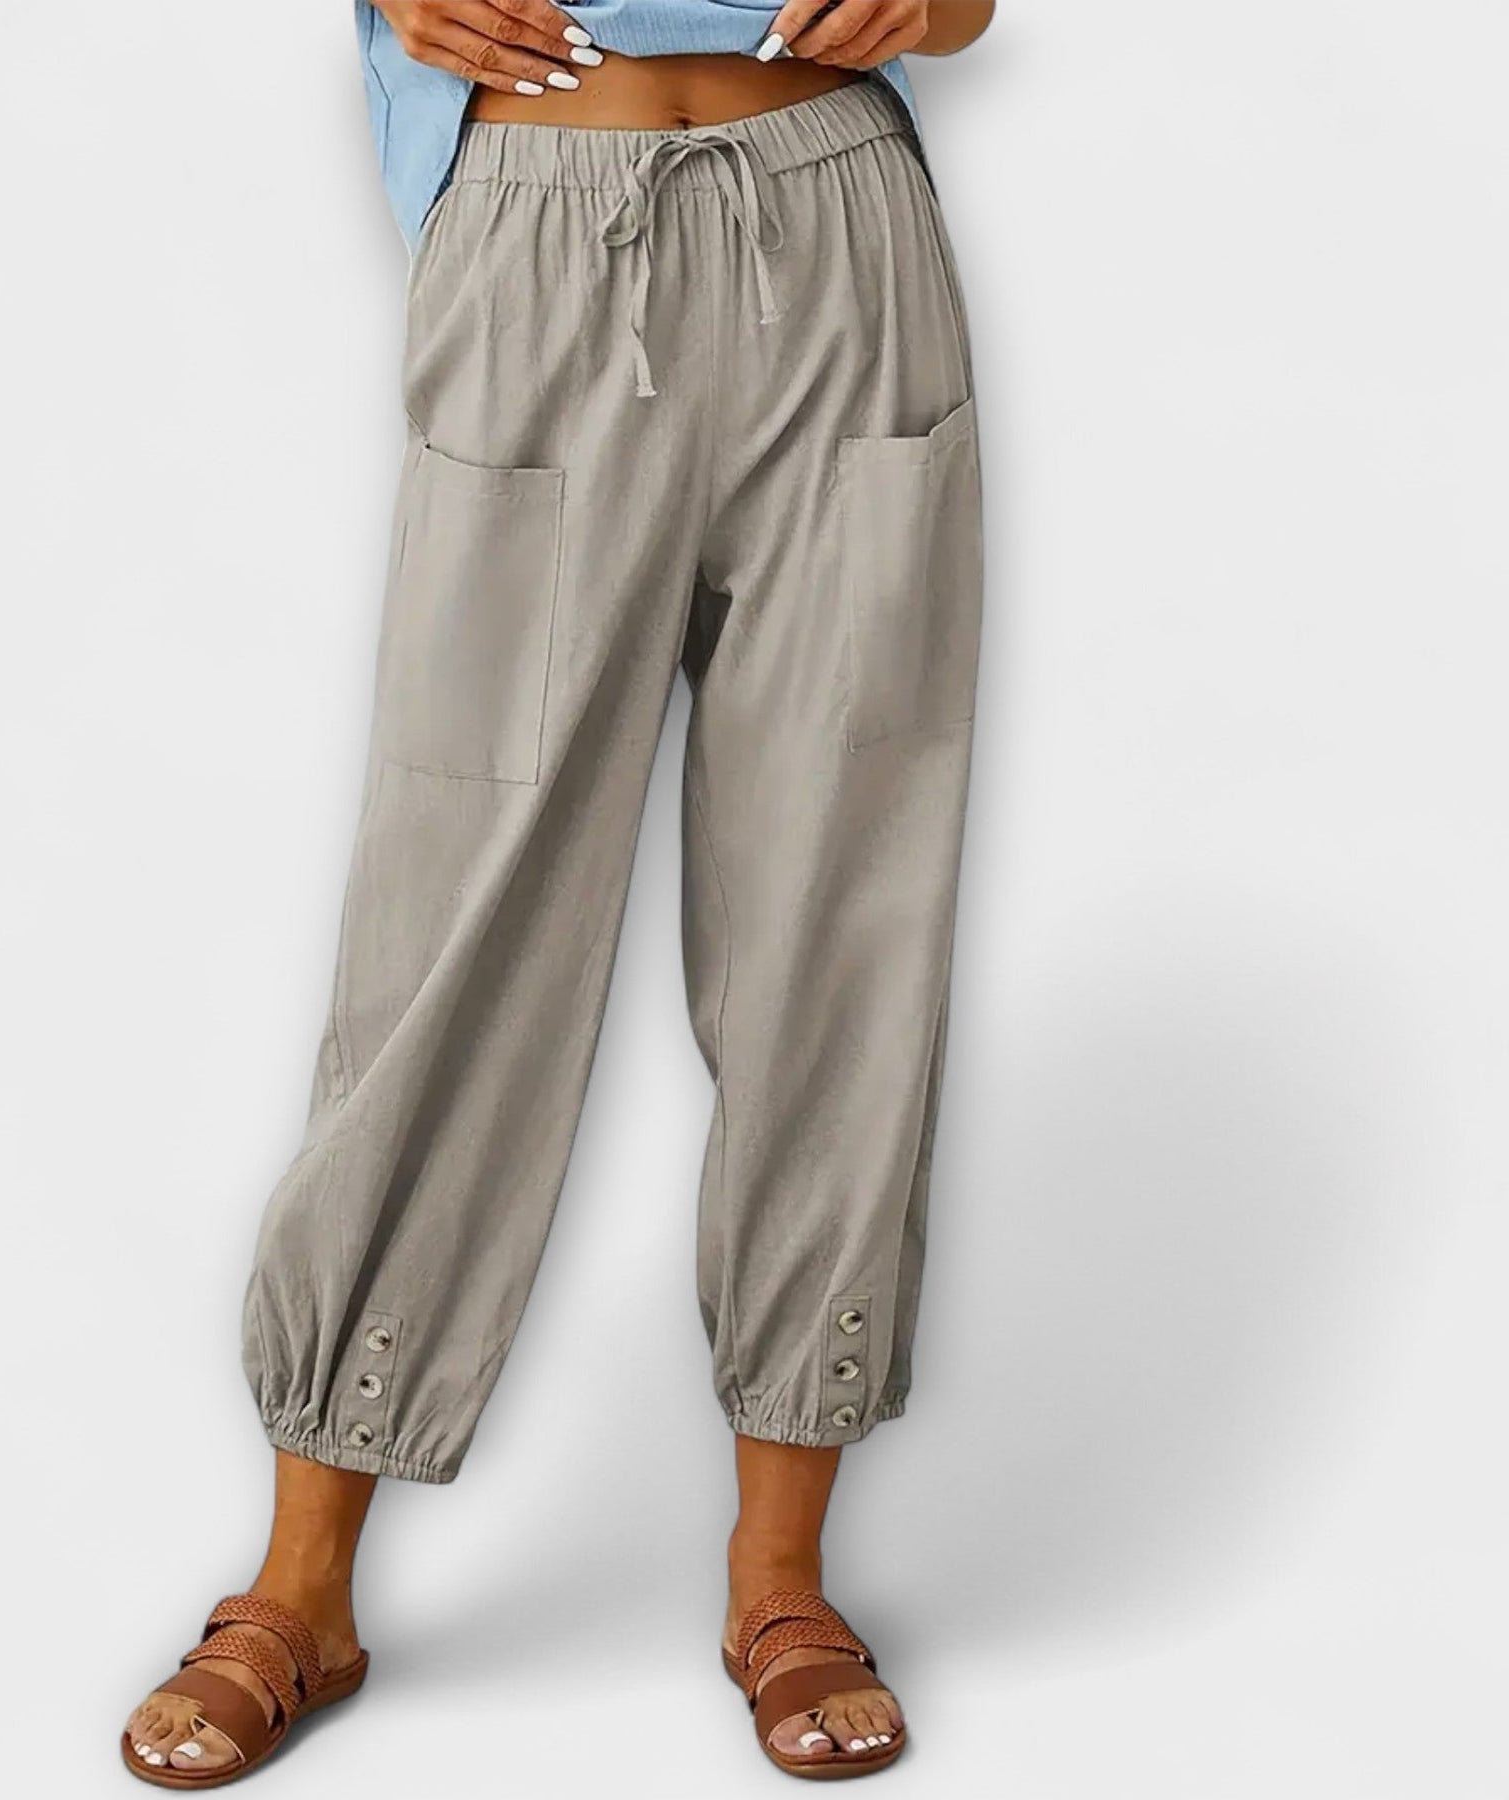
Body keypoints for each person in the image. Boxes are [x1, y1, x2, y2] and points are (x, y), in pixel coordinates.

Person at [121, 0, 996, 1785]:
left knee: (842, 907)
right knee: (453, 921)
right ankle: (304, 1584)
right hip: (539, 215)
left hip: (842, 223)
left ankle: (781, 1578)